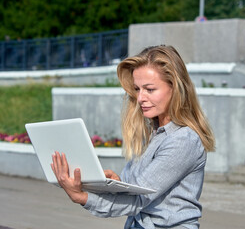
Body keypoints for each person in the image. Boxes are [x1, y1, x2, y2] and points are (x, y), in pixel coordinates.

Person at [51, 45, 215, 229]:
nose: (140, 98)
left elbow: (139, 199)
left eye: (150, 89)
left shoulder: (183, 140)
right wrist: (119, 184)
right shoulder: (154, 133)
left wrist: (81, 197)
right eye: (137, 89)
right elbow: (140, 188)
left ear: (175, 88)